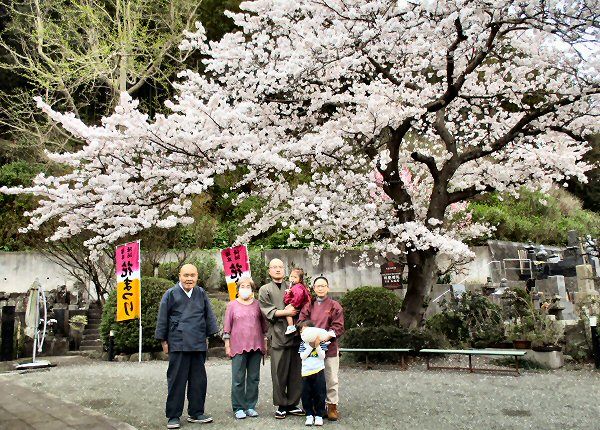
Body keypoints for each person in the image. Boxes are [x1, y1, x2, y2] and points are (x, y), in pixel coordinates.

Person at [155, 264, 219, 429]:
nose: (189, 279)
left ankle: (196, 412)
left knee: (199, 380)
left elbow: (208, 316)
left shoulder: (201, 293)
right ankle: (173, 415)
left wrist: (208, 337)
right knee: (177, 380)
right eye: (186, 275)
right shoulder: (171, 294)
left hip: (198, 342)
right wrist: (163, 341)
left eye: (192, 275)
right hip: (178, 342)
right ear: (179, 276)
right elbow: (163, 318)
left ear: (197, 276)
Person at [258, 258, 304, 419]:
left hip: (296, 334)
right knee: (278, 371)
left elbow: (302, 304)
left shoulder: (293, 286)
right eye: (274, 267)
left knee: (296, 371)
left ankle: (293, 403)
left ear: (284, 270)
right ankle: (281, 405)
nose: (277, 269)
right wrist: (286, 312)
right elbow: (267, 311)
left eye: (280, 267)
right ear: (269, 271)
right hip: (278, 334)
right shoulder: (265, 289)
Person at [299, 276, 344, 421]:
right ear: (314, 288)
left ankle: (332, 406)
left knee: (331, 379)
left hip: (329, 347)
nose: (320, 288)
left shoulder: (335, 306)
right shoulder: (308, 306)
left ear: (328, 288)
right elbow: (301, 322)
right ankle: (314, 407)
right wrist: (311, 338)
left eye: (323, 285)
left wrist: (325, 337)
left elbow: (338, 326)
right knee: (313, 379)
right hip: (311, 349)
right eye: (318, 286)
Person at [223, 277, 269, 419]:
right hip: (237, 346)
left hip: (256, 345)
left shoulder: (258, 304)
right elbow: (227, 327)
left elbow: (264, 327)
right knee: (238, 378)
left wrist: (265, 343)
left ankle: (250, 406)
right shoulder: (232, 305)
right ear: (238, 289)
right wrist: (227, 345)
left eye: (248, 286)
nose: (245, 289)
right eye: (242, 286)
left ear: (252, 289)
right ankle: (238, 407)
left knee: (254, 378)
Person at [298, 320, 327, 427]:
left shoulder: (321, 342)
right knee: (306, 394)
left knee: (320, 394)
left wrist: (317, 345)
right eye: (301, 331)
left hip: (319, 371)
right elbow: (302, 356)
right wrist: (311, 346)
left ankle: (319, 415)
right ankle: (309, 414)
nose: (303, 333)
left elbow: (322, 356)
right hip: (306, 373)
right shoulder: (303, 344)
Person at [283, 268, 311, 335]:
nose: (292, 278)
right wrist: (289, 293)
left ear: (300, 279)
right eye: (291, 276)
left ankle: (291, 326)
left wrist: (292, 304)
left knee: (286, 310)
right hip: (301, 305)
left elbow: (298, 297)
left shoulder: (298, 287)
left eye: (295, 277)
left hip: (299, 304)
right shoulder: (296, 286)